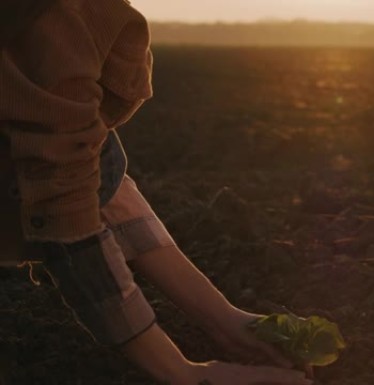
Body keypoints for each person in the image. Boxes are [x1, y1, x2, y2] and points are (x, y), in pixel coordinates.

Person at [0, 1, 312, 384]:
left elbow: (88, 166)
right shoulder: (53, 15)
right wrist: (183, 373)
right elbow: (63, 197)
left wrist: (222, 319)